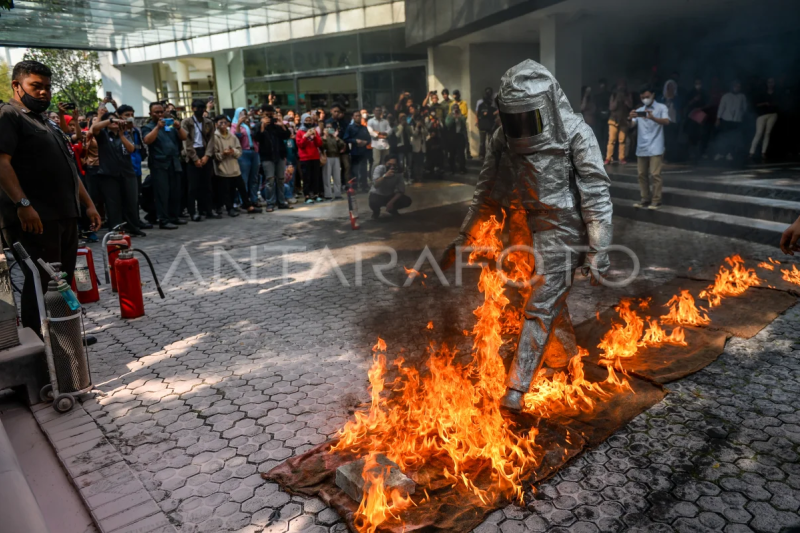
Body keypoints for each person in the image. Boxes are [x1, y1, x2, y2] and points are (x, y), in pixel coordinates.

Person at [442, 59, 613, 412]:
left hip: (562, 228)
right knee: (541, 301)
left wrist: (598, 249)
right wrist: (464, 237)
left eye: (527, 118)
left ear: (547, 106)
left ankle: (516, 389)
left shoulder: (577, 133)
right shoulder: (503, 137)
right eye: (512, 119)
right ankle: (563, 357)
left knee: (541, 304)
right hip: (520, 226)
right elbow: (487, 192)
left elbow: (596, 193)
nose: (519, 127)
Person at [0, 60, 102, 334]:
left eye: (47, 87)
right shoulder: (9, 116)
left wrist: (89, 204)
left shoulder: (46, 123)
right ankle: (42, 351)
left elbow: (69, 169)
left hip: (64, 215)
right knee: (41, 284)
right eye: (36, 86)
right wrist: (23, 204)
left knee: (61, 282)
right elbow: (2, 163)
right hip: (34, 218)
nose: (44, 92)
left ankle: (65, 341)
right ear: (16, 86)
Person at [91, 112, 146, 236]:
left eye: (117, 120)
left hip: (127, 173)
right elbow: (94, 128)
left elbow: (131, 149)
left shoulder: (126, 133)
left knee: (131, 201)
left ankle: (133, 227)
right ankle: (115, 229)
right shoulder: (103, 135)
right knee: (113, 203)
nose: (116, 122)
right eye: (113, 121)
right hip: (108, 174)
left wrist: (121, 135)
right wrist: (111, 120)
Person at [141, 102, 188, 229]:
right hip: (159, 164)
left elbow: (184, 137)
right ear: (151, 114)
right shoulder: (148, 127)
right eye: (156, 112)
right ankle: (163, 219)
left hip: (174, 162)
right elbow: (147, 140)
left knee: (175, 191)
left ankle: (174, 216)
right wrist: (157, 127)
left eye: (161, 111)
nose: (160, 114)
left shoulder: (170, 125)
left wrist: (178, 127)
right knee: (162, 193)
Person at [629, 86, 670, 210]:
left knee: (655, 174)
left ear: (653, 95)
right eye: (642, 97)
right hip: (642, 146)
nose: (645, 99)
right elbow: (631, 125)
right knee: (642, 174)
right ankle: (645, 199)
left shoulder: (661, 107)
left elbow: (666, 122)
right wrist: (629, 117)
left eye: (647, 96)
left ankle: (656, 200)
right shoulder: (639, 110)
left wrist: (653, 118)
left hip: (656, 145)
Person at [181, 99, 218, 221]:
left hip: (205, 151)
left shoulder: (208, 122)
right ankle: (193, 212)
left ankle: (207, 209)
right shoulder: (186, 122)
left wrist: (207, 156)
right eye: (198, 108)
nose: (200, 111)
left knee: (207, 184)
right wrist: (195, 158)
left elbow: (212, 140)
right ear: (193, 109)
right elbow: (186, 141)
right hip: (192, 153)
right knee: (193, 186)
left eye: (203, 109)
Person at [212, 115, 252, 217]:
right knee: (226, 190)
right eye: (221, 123)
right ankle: (229, 208)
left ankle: (248, 205)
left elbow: (239, 150)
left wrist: (233, 151)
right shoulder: (215, 137)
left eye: (225, 122)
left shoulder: (232, 136)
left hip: (234, 167)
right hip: (223, 168)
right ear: (216, 124)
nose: (223, 125)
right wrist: (222, 154)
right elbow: (214, 154)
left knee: (241, 187)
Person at [254, 104, 291, 211]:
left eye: (271, 114)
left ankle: (281, 201)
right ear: (262, 114)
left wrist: (282, 125)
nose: (269, 117)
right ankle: (270, 203)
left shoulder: (276, 124)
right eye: (267, 114)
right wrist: (262, 126)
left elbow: (287, 135)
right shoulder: (258, 125)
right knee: (269, 180)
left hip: (279, 155)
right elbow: (257, 138)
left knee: (280, 179)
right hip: (267, 156)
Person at [231, 107, 262, 210]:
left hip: (254, 152)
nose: (243, 115)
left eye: (245, 113)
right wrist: (239, 124)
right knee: (244, 178)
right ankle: (244, 201)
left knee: (254, 178)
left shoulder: (250, 125)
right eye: (241, 114)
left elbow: (257, 136)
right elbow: (236, 137)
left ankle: (254, 199)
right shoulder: (234, 125)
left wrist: (249, 125)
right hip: (243, 152)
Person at [714, 81, 748, 162]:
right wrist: (718, 118)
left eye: (739, 86)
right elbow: (721, 108)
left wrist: (740, 115)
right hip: (726, 120)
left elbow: (744, 108)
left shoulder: (742, 96)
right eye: (735, 86)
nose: (737, 87)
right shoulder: (726, 96)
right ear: (732, 86)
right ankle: (721, 153)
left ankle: (730, 153)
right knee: (724, 138)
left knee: (734, 138)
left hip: (737, 121)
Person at [369, 154, 412, 219]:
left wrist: (391, 202)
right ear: (385, 163)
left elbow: (401, 190)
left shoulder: (398, 172)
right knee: (373, 201)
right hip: (377, 194)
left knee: (406, 200)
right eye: (389, 164)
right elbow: (376, 184)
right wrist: (384, 176)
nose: (392, 167)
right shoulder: (379, 168)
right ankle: (376, 212)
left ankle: (392, 209)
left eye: (394, 165)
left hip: (389, 195)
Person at [749, 77, 779, 162]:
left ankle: (763, 152)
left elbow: (778, 103)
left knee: (767, 133)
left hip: (772, 114)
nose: (770, 84)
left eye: (772, 82)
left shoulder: (776, 93)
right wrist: (765, 103)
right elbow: (756, 104)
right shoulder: (762, 93)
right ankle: (751, 152)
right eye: (769, 82)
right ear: (767, 83)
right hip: (762, 115)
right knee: (759, 133)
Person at [296, 113, 323, 203]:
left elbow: (319, 144)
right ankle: (307, 196)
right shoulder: (300, 132)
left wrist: (315, 136)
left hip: (315, 157)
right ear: (303, 121)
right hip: (305, 158)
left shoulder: (314, 130)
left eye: (310, 120)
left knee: (315, 177)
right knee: (306, 177)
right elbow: (300, 145)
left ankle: (316, 194)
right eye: (306, 120)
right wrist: (306, 136)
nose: (308, 122)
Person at [606, 80, 632, 165]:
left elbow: (630, 105)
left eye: (623, 85)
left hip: (623, 120)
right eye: (620, 86)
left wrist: (625, 98)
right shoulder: (613, 95)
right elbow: (611, 107)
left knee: (622, 140)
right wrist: (617, 98)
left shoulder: (628, 95)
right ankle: (608, 158)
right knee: (611, 140)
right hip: (613, 120)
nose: (621, 87)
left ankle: (622, 157)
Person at [344, 110, 371, 191]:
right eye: (356, 116)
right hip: (354, 151)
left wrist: (365, 142)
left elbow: (369, 139)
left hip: (363, 151)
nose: (358, 117)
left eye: (359, 115)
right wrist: (355, 141)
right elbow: (346, 138)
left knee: (364, 169)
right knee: (354, 170)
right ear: (353, 117)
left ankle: (364, 185)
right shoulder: (350, 127)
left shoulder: (364, 127)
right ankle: (354, 186)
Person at [326, 103, 350, 187]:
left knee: (346, 166)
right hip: (334, 148)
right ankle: (338, 184)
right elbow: (332, 134)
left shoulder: (342, 121)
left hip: (344, 146)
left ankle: (347, 183)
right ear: (331, 111)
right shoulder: (328, 122)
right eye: (335, 111)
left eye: (338, 111)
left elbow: (346, 132)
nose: (336, 113)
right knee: (337, 168)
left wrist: (344, 144)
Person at [322, 124, 346, 200]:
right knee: (327, 176)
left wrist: (336, 137)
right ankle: (328, 194)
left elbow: (342, 145)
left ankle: (337, 194)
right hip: (327, 157)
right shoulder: (323, 138)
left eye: (331, 127)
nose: (329, 129)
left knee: (337, 177)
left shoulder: (335, 138)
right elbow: (322, 146)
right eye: (327, 127)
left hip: (336, 157)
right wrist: (325, 137)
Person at [476, 87, 498, 159]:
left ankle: (489, 154)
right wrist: (478, 122)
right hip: (482, 125)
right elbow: (478, 114)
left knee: (490, 141)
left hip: (490, 126)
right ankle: (482, 155)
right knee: (482, 142)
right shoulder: (481, 105)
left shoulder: (492, 107)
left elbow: (495, 113)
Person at [445, 104, 467, 174]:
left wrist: (459, 117)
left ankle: (462, 168)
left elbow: (464, 122)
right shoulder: (449, 116)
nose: (456, 109)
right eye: (454, 108)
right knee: (452, 153)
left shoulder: (461, 115)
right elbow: (447, 124)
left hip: (460, 136)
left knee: (461, 153)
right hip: (452, 137)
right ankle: (452, 168)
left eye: (457, 108)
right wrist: (453, 118)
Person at [367, 106, 391, 171]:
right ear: (373, 111)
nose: (378, 112)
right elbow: (370, 131)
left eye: (379, 110)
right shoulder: (370, 121)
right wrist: (378, 135)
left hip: (385, 144)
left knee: (385, 162)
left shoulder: (385, 121)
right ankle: (373, 178)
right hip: (376, 144)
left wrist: (385, 133)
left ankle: (383, 176)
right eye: (376, 110)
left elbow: (389, 130)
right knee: (376, 162)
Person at [451, 90, 470, 160]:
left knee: (465, 138)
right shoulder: (452, 104)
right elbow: (450, 113)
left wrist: (460, 117)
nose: (455, 96)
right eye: (454, 94)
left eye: (456, 94)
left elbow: (465, 114)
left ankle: (468, 153)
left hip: (462, 123)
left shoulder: (463, 103)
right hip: (454, 124)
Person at [593, 78, 611, 150]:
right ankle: (601, 153)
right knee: (599, 136)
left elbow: (611, 106)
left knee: (607, 137)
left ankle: (605, 153)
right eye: (601, 85)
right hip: (599, 118)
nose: (602, 86)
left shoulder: (609, 95)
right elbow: (594, 107)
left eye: (603, 85)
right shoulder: (596, 96)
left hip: (608, 118)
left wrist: (607, 111)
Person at [409, 116, 428, 182]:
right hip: (415, 147)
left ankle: (421, 176)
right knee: (416, 163)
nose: (419, 122)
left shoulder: (423, 127)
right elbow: (414, 135)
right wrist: (417, 127)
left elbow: (426, 133)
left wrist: (422, 127)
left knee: (421, 163)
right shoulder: (412, 127)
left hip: (422, 148)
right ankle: (416, 176)